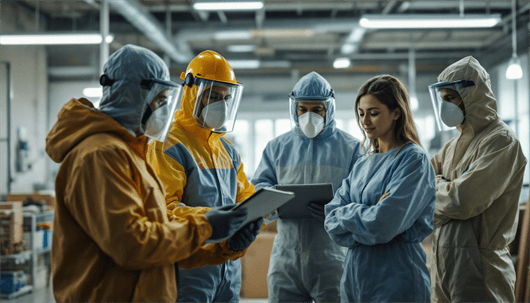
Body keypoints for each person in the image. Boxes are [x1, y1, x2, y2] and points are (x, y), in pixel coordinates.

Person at [45, 44, 261, 302]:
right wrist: (206, 227)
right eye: (159, 100)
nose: (162, 110)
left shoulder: (131, 153)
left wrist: (225, 245)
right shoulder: (99, 156)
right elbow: (133, 244)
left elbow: (160, 236)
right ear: (133, 95)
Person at [147, 50, 257, 303]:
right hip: (188, 266)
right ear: (191, 92)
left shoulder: (226, 149)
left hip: (228, 267)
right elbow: (164, 209)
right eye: (213, 96)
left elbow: (247, 197)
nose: (222, 105)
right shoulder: (168, 144)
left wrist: (259, 212)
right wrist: (212, 220)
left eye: (227, 98)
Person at [251, 71, 362, 302]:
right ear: (294, 108)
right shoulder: (277, 147)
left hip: (332, 255)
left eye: (317, 109)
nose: (309, 116)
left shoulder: (350, 148)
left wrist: (335, 212)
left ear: (328, 108)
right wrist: (273, 202)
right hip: (286, 255)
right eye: (303, 109)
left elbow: (360, 197)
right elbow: (259, 186)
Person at [324, 74, 436, 302]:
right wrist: (367, 211)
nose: (365, 121)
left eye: (374, 113)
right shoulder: (362, 163)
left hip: (397, 278)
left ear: (396, 113)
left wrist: (349, 212)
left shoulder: (413, 160)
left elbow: (383, 224)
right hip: (355, 278)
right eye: (361, 113)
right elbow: (330, 220)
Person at [428, 56, 527, 302]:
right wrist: (443, 190)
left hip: (481, 269)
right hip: (442, 263)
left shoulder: (501, 141)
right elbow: (419, 181)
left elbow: (462, 201)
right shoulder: (451, 146)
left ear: (472, 95)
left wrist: (436, 189)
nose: (444, 107)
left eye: (450, 98)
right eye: (441, 100)